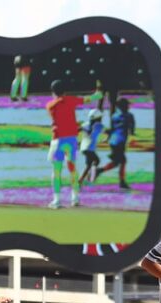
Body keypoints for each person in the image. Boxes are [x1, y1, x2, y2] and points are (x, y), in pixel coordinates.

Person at [45, 79, 103, 208]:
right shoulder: (71, 100)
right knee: (72, 169)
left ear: (53, 91)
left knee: (57, 170)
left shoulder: (50, 105)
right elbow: (90, 99)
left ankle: (57, 200)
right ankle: (75, 199)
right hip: (71, 140)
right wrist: (98, 93)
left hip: (58, 140)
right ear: (64, 91)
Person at [95, 97, 136, 190]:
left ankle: (100, 171)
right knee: (122, 161)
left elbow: (112, 129)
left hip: (113, 141)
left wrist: (107, 137)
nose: (129, 106)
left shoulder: (114, 116)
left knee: (118, 162)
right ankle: (121, 182)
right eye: (127, 105)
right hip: (121, 141)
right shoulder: (129, 116)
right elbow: (132, 130)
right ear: (125, 106)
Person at [77, 109, 104, 185]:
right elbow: (104, 131)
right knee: (96, 161)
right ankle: (91, 179)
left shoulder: (85, 124)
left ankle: (80, 181)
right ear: (98, 118)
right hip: (89, 148)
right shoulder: (99, 126)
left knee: (88, 165)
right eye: (100, 118)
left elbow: (78, 130)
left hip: (83, 148)